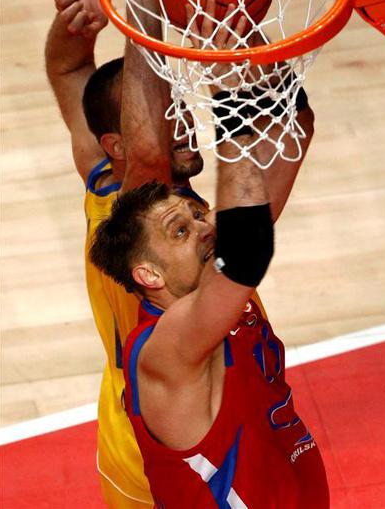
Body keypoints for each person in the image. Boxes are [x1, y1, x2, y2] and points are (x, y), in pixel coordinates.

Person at [47, 0, 315, 506]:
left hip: (270, 462)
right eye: (168, 114)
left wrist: (241, 38)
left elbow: (292, 131)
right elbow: (153, 159)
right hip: (163, 462)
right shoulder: (132, 222)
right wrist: (144, 17)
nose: (186, 125)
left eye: (182, 108)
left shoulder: (178, 217)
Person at [89, 89, 329, 506]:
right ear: (149, 275)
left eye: (199, 216)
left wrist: (264, 75)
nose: (204, 229)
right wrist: (228, 103)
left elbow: (295, 132)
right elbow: (247, 250)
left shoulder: (205, 276)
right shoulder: (166, 346)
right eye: (180, 231)